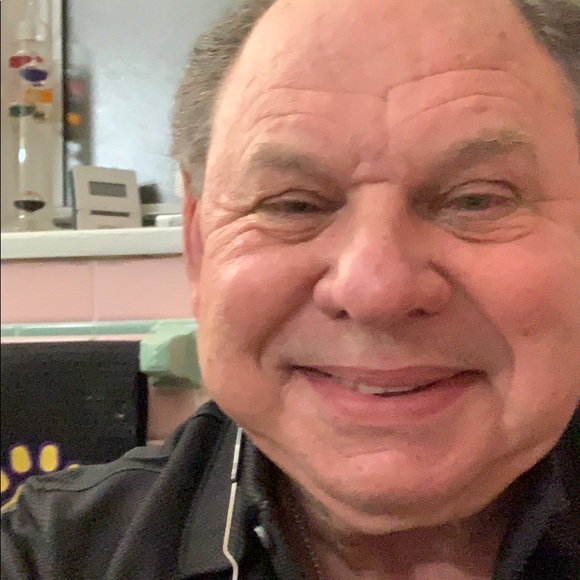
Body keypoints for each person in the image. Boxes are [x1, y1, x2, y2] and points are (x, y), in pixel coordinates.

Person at [2, 0, 579, 577]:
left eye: (477, 199)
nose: (375, 291)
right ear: (198, 244)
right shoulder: (48, 558)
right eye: (292, 205)